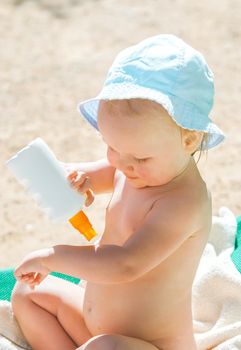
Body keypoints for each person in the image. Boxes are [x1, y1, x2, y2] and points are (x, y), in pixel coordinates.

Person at [11, 34, 225, 350]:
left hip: (148, 344)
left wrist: (53, 257)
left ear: (190, 141)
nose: (124, 164)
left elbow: (125, 264)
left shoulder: (182, 202)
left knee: (106, 347)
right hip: (94, 325)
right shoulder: (136, 167)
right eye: (112, 147)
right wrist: (77, 178)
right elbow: (101, 172)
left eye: (139, 157)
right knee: (28, 294)